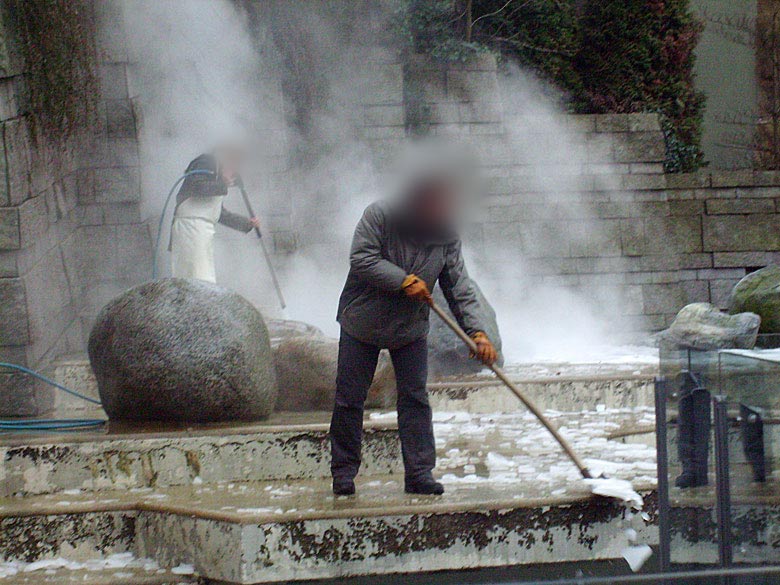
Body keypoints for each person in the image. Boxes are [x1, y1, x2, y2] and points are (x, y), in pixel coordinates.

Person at [330, 171, 498, 496]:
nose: (442, 211)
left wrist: (478, 332)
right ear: (418, 202)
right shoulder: (380, 216)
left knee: (415, 399)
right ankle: (343, 474)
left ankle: (419, 474)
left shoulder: (446, 234)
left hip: (409, 327)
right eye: (436, 204)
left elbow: (458, 286)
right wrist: (402, 280)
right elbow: (362, 258)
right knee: (350, 399)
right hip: (362, 320)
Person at [169, 147, 261, 283]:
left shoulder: (216, 177)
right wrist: (222, 184)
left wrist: (247, 224)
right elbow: (197, 187)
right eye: (234, 167)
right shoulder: (206, 162)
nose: (233, 174)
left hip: (202, 230)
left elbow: (220, 214)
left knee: (201, 277)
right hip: (190, 227)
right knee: (197, 278)